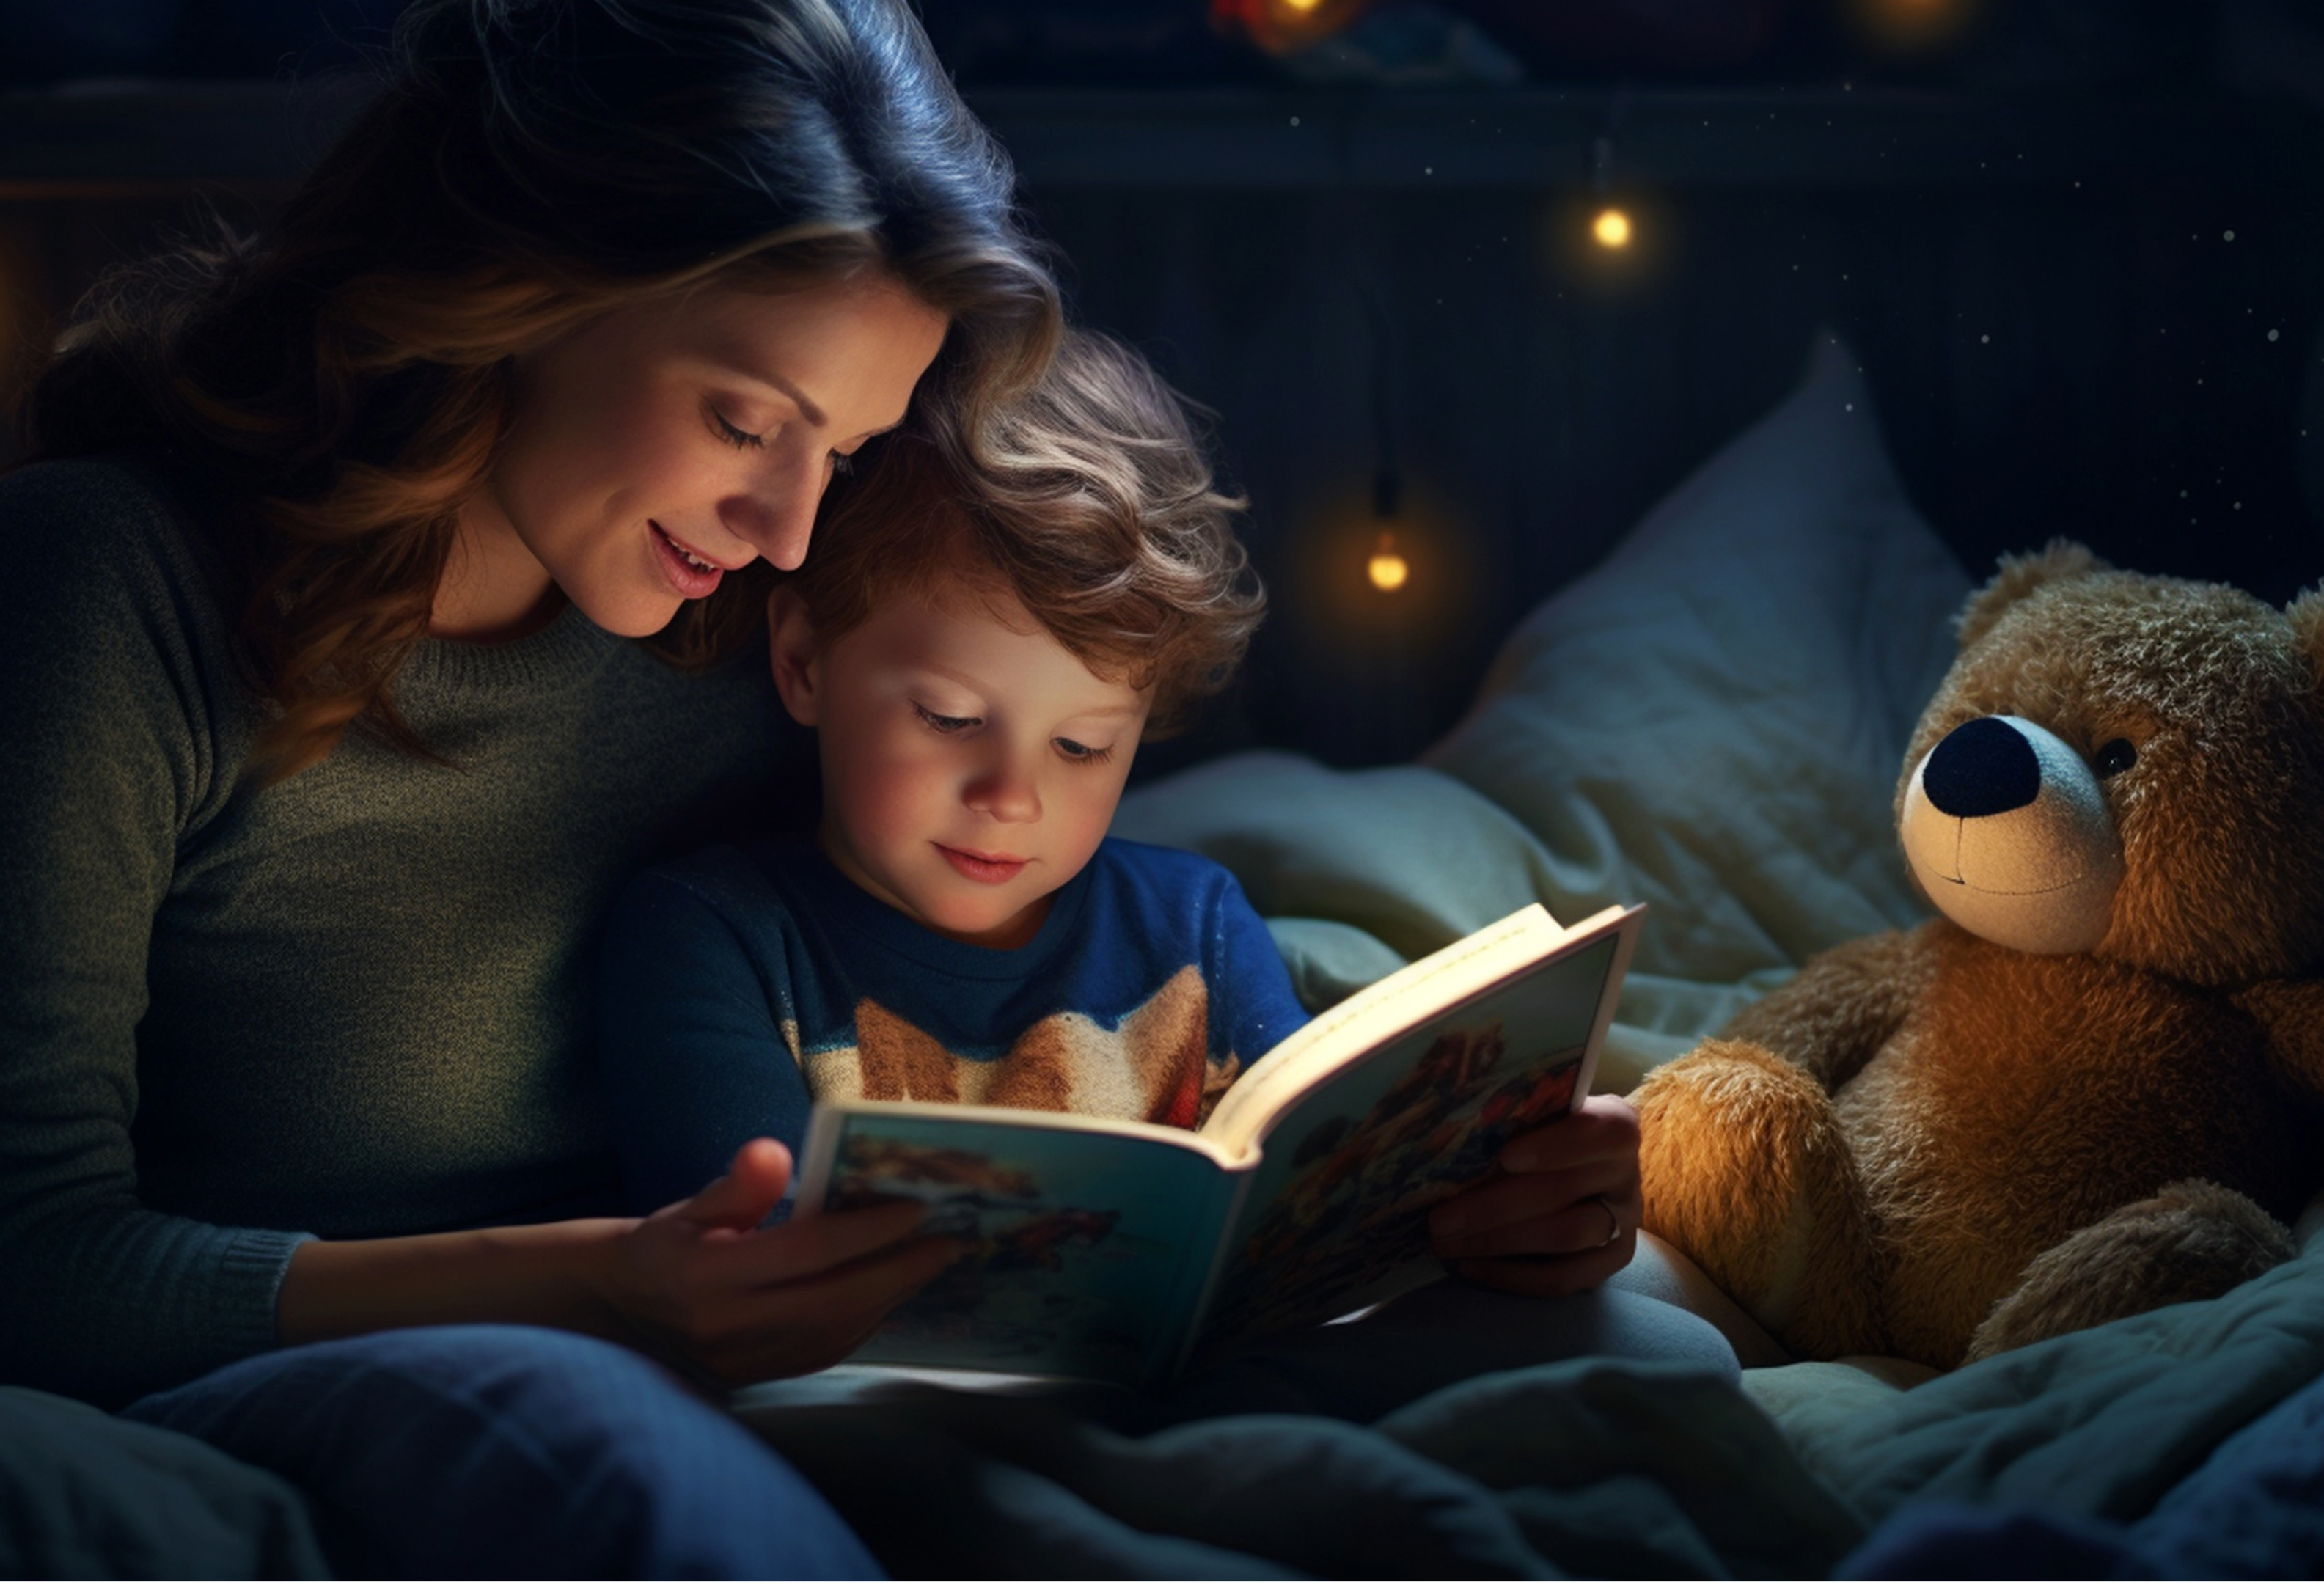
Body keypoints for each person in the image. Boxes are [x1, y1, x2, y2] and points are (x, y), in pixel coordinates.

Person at [0, 0, 1063, 1575]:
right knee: (611, 1455)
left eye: (838, 453)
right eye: (744, 420)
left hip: (725, 1357)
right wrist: (585, 1285)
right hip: (279, 1386)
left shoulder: (776, 633)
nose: (786, 527)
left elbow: (1018, 943)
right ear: (528, 291)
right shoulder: (106, 584)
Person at [594, 330, 1709, 1398]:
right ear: (802, 662)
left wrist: (1519, 1201)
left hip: (1211, 1385)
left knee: (1665, 1348)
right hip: (880, 1407)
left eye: (1084, 746)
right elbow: (754, 1297)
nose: (1014, 797)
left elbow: (1310, 1209)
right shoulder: (713, 935)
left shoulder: (1196, 925)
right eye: (946, 716)